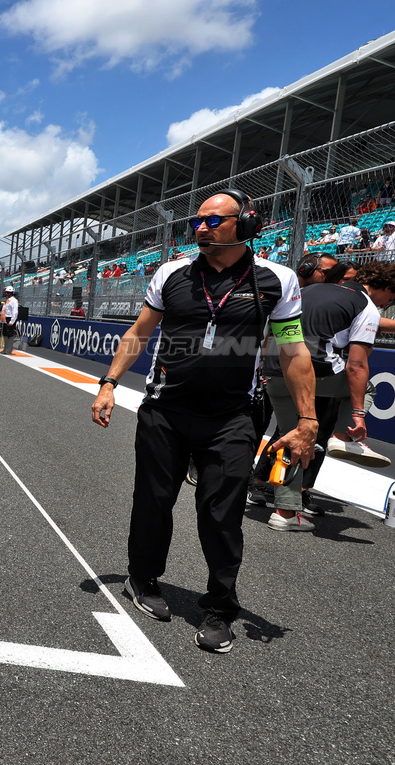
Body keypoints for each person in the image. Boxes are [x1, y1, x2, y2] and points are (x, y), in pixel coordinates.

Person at [92, 190, 316, 654]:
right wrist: (109, 383)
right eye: (198, 220)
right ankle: (142, 578)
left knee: (221, 514)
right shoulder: (171, 272)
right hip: (165, 411)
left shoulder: (277, 279)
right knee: (152, 503)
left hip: (233, 417)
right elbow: (139, 333)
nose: (201, 227)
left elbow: (293, 350)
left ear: (246, 223)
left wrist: (308, 419)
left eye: (214, 221)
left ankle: (220, 608)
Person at [254, 260, 389, 532]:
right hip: (312, 371)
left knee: (294, 438)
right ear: (384, 288)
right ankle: (343, 437)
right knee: (365, 387)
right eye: (392, 295)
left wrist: (264, 369)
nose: (390, 301)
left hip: (274, 371)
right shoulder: (366, 307)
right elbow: (356, 365)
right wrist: (357, 416)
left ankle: (286, 514)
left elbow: (271, 330)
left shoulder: (307, 292)